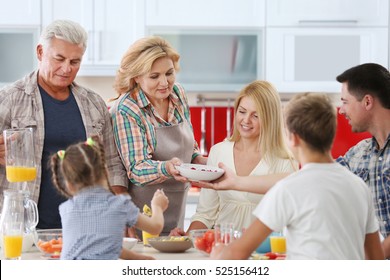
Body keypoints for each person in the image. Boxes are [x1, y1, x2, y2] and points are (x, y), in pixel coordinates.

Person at [196, 63, 390, 258]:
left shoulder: (287, 189)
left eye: (345, 102)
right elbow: (376, 260)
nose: (342, 109)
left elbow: (236, 253)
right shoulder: (358, 185)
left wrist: (220, 253)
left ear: (293, 138)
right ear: (331, 134)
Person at [0, 20, 128, 229]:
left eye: (75, 61)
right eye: (59, 59)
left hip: (87, 227)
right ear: (40, 52)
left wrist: (121, 211)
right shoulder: (9, 99)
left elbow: (113, 165)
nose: (66, 68)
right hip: (22, 229)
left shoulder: (93, 103)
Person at [170, 80, 297, 235]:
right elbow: (205, 214)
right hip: (221, 248)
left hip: (264, 252)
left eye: (256, 115)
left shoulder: (284, 161)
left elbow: (287, 219)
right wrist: (187, 239)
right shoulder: (218, 152)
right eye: (242, 111)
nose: (246, 120)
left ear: (270, 119)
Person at [110, 36, 207, 237]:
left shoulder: (178, 94)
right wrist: (167, 167)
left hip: (176, 207)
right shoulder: (127, 109)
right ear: (137, 77)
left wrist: (200, 160)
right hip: (143, 216)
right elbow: (136, 168)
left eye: (169, 73)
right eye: (154, 76)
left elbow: (189, 144)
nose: (164, 82)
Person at [50, 136, 168, 260]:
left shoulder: (66, 209)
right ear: (106, 171)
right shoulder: (119, 204)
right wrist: (157, 206)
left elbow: (102, 246)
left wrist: (140, 258)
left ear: (68, 184)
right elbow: (155, 227)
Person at [335, 63, 390, 258]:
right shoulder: (359, 154)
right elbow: (314, 177)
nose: (341, 110)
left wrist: (370, 260)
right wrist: (238, 181)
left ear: (367, 102)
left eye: (345, 101)